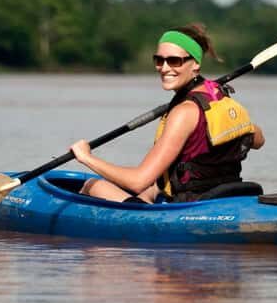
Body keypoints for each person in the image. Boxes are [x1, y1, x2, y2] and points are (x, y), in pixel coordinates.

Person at [69, 23, 265, 203]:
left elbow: (138, 180)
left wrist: (87, 157)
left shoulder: (183, 113)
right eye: (159, 60)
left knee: (93, 186)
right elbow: (258, 140)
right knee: (151, 189)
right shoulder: (220, 99)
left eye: (174, 61)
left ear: (195, 64)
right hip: (227, 196)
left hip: (191, 207)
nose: (164, 68)